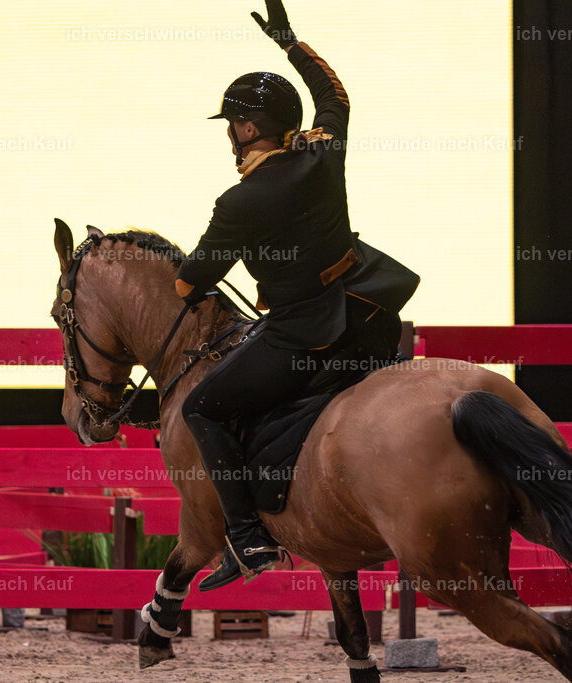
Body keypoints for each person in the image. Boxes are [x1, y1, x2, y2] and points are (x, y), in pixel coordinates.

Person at [175, 0, 419, 591]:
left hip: (304, 335)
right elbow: (334, 95)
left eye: (233, 125)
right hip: (367, 314)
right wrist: (288, 41)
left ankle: (247, 535)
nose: (230, 136)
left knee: (201, 408)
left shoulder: (240, 201)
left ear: (248, 129)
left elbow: (190, 283)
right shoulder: (321, 148)